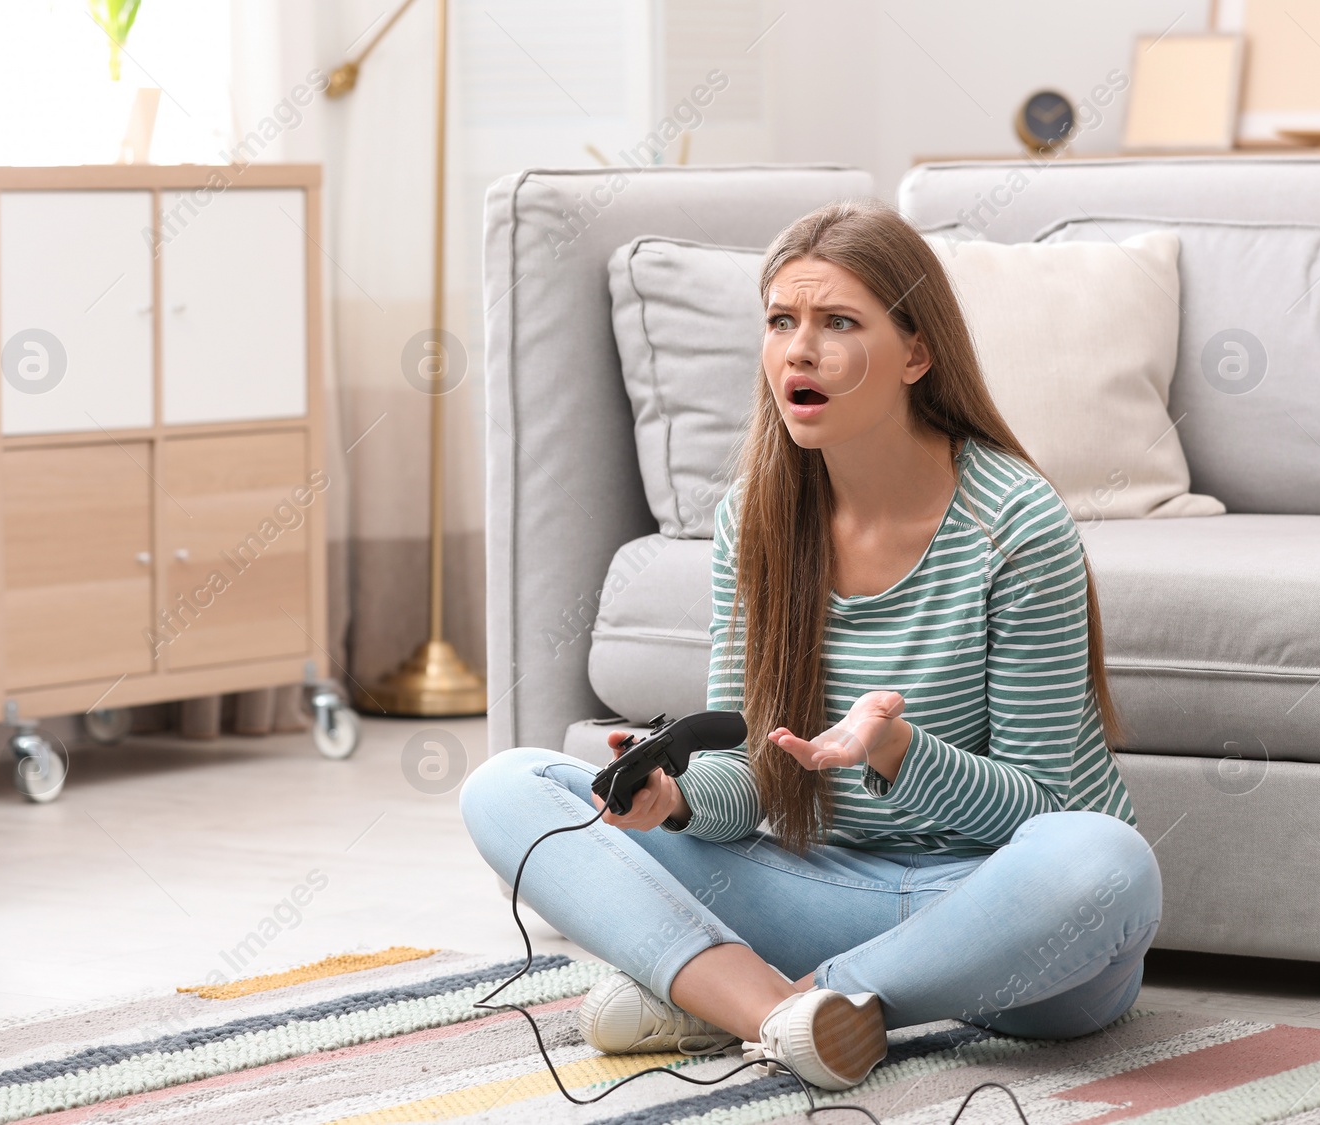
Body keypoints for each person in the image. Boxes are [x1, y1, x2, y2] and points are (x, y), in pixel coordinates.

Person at [460, 199, 1162, 1092]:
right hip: (823, 891)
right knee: (508, 788)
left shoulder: (1014, 524)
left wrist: (902, 752)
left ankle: (763, 997)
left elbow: (1046, 809)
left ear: (916, 352)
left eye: (838, 323)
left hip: (997, 924)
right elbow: (753, 777)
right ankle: (775, 1014)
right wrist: (674, 798)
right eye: (782, 322)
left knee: (1107, 863)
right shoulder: (754, 519)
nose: (799, 349)